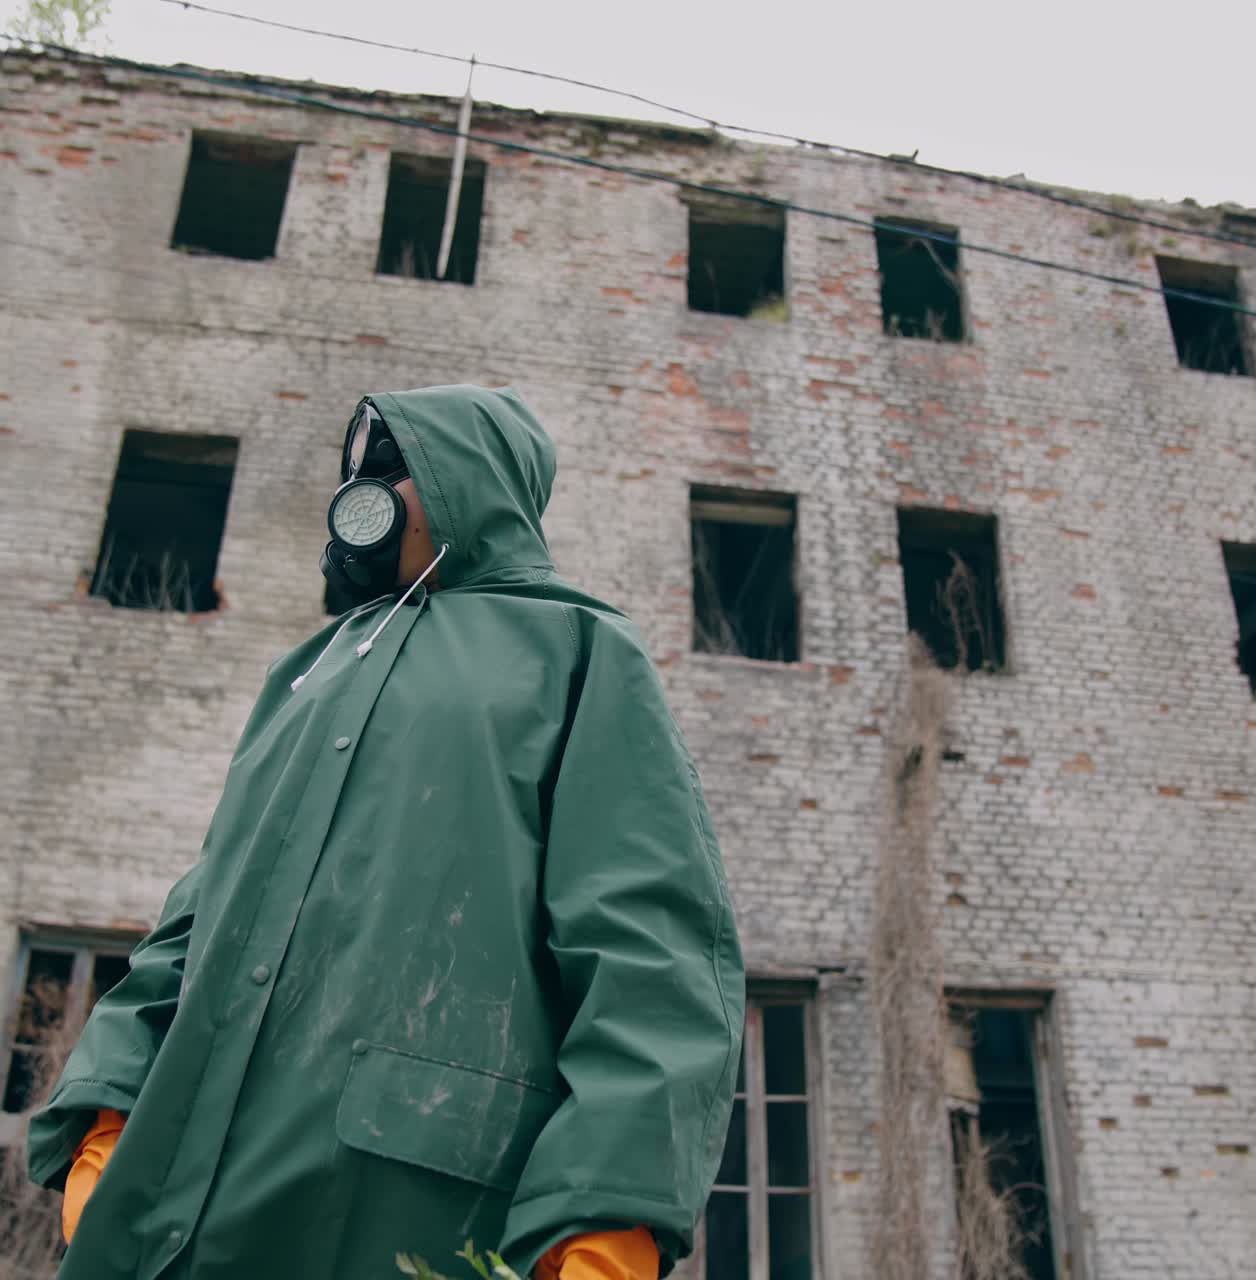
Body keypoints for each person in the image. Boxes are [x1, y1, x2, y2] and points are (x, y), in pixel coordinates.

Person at [28, 385, 745, 1280]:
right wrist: (109, 1118)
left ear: (470, 481)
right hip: (176, 1216)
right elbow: (195, 919)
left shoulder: (579, 651)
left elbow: (650, 945)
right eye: (357, 471)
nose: (363, 491)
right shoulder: (312, 667)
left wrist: (604, 1223)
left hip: (409, 1207)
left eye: (392, 468)